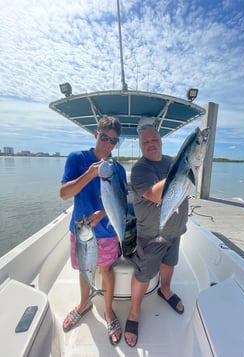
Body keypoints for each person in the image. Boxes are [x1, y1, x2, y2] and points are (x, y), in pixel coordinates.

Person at [60, 116, 127, 346]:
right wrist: (89, 174)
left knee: (106, 270)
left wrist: (103, 214)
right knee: (83, 270)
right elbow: (64, 194)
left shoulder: (118, 169)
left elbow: (120, 201)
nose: (108, 144)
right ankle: (83, 304)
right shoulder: (77, 158)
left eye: (114, 141)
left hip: (106, 232)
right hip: (80, 231)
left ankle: (108, 313)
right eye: (105, 137)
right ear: (96, 134)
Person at [124, 123, 188, 347]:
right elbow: (154, 194)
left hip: (175, 230)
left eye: (154, 140)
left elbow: (185, 188)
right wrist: (184, 171)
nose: (151, 144)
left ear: (161, 141)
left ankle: (165, 289)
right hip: (152, 234)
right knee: (143, 274)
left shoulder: (173, 162)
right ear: (140, 146)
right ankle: (134, 313)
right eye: (145, 142)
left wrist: (188, 169)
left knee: (170, 263)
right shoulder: (140, 169)